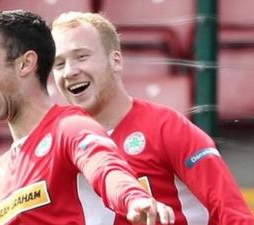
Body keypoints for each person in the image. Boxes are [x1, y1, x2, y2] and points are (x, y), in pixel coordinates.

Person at [0, 10, 175, 225]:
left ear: (25, 64)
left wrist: (133, 198)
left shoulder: (71, 128)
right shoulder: (0, 169)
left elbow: (106, 168)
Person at [50, 11, 254, 225]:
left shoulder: (167, 127)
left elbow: (233, 213)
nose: (69, 72)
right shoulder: (54, 146)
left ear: (116, 61)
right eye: (59, 64)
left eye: (81, 56)